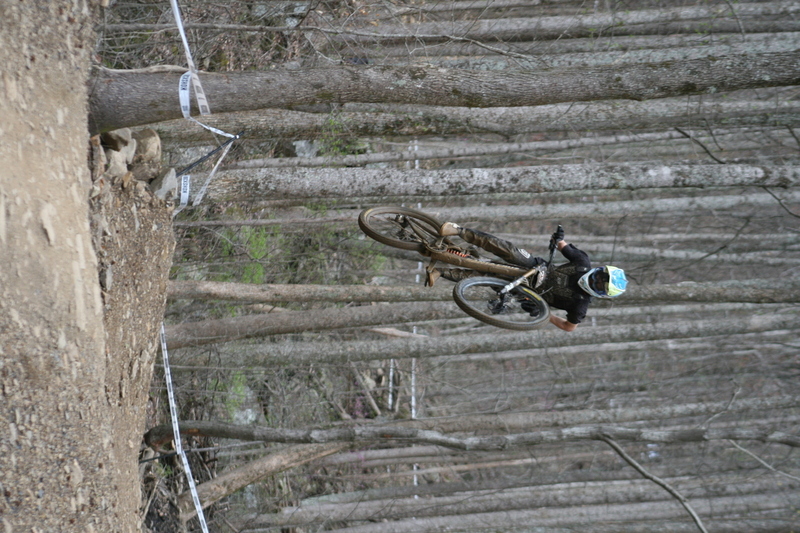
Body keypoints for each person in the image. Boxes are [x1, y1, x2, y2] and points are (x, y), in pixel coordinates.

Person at [425, 222, 627, 332]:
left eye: (600, 285)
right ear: (600, 270)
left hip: (530, 292)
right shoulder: (582, 262)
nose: (596, 281)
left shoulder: (580, 304)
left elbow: (569, 327)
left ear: (601, 293)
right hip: (537, 267)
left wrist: (546, 316)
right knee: (508, 250)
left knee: (487, 275)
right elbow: (562, 245)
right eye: (601, 277)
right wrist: (559, 239)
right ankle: (459, 230)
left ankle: (442, 272)